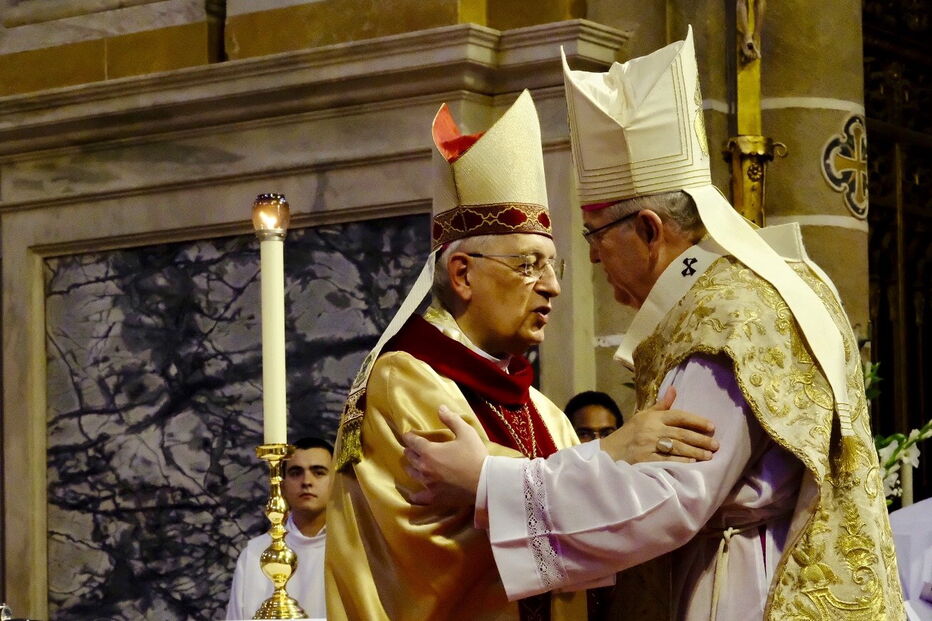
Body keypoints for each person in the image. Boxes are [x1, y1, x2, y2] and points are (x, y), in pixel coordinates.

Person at [403, 28, 905, 620]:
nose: (587, 263)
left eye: (594, 238)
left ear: (647, 230)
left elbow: (667, 499)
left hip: (744, 589)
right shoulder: (758, 285)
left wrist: (488, 482)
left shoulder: (726, 317)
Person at [324, 90, 718, 621]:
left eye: (554, 266)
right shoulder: (406, 379)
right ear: (463, 274)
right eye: (530, 264)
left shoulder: (541, 408)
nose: (553, 287)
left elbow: (556, 521)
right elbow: (443, 549)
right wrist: (611, 455)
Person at [226, 437, 332, 620]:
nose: (306, 481)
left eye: (319, 472)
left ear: (337, 481)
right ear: (281, 485)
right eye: (296, 472)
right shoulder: (256, 554)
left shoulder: (357, 550)